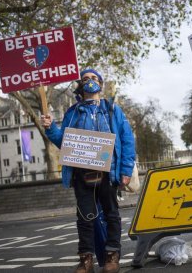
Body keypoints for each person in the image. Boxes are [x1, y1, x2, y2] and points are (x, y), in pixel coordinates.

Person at [41, 68, 135, 273]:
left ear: (100, 84)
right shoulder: (72, 112)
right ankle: (86, 260)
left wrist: (126, 170)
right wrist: (51, 128)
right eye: (85, 79)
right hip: (81, 173)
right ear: (80, 85)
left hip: (109, 172)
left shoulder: (112, 109)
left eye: (93, 78)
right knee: (85, 217)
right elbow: (63, 141)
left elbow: (127, 140)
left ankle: (112, 256)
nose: (89, 81)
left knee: (111, 214)